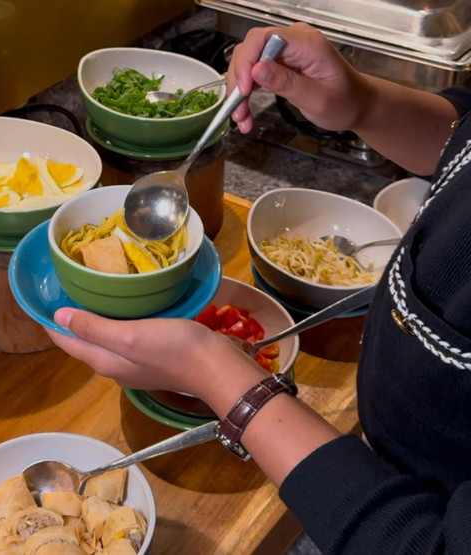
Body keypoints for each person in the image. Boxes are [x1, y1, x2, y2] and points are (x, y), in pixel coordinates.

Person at [47, 23, 471, 554]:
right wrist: (361, 104)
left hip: (372, 510)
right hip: (369, 458)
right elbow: (463, 142)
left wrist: (213, 370)